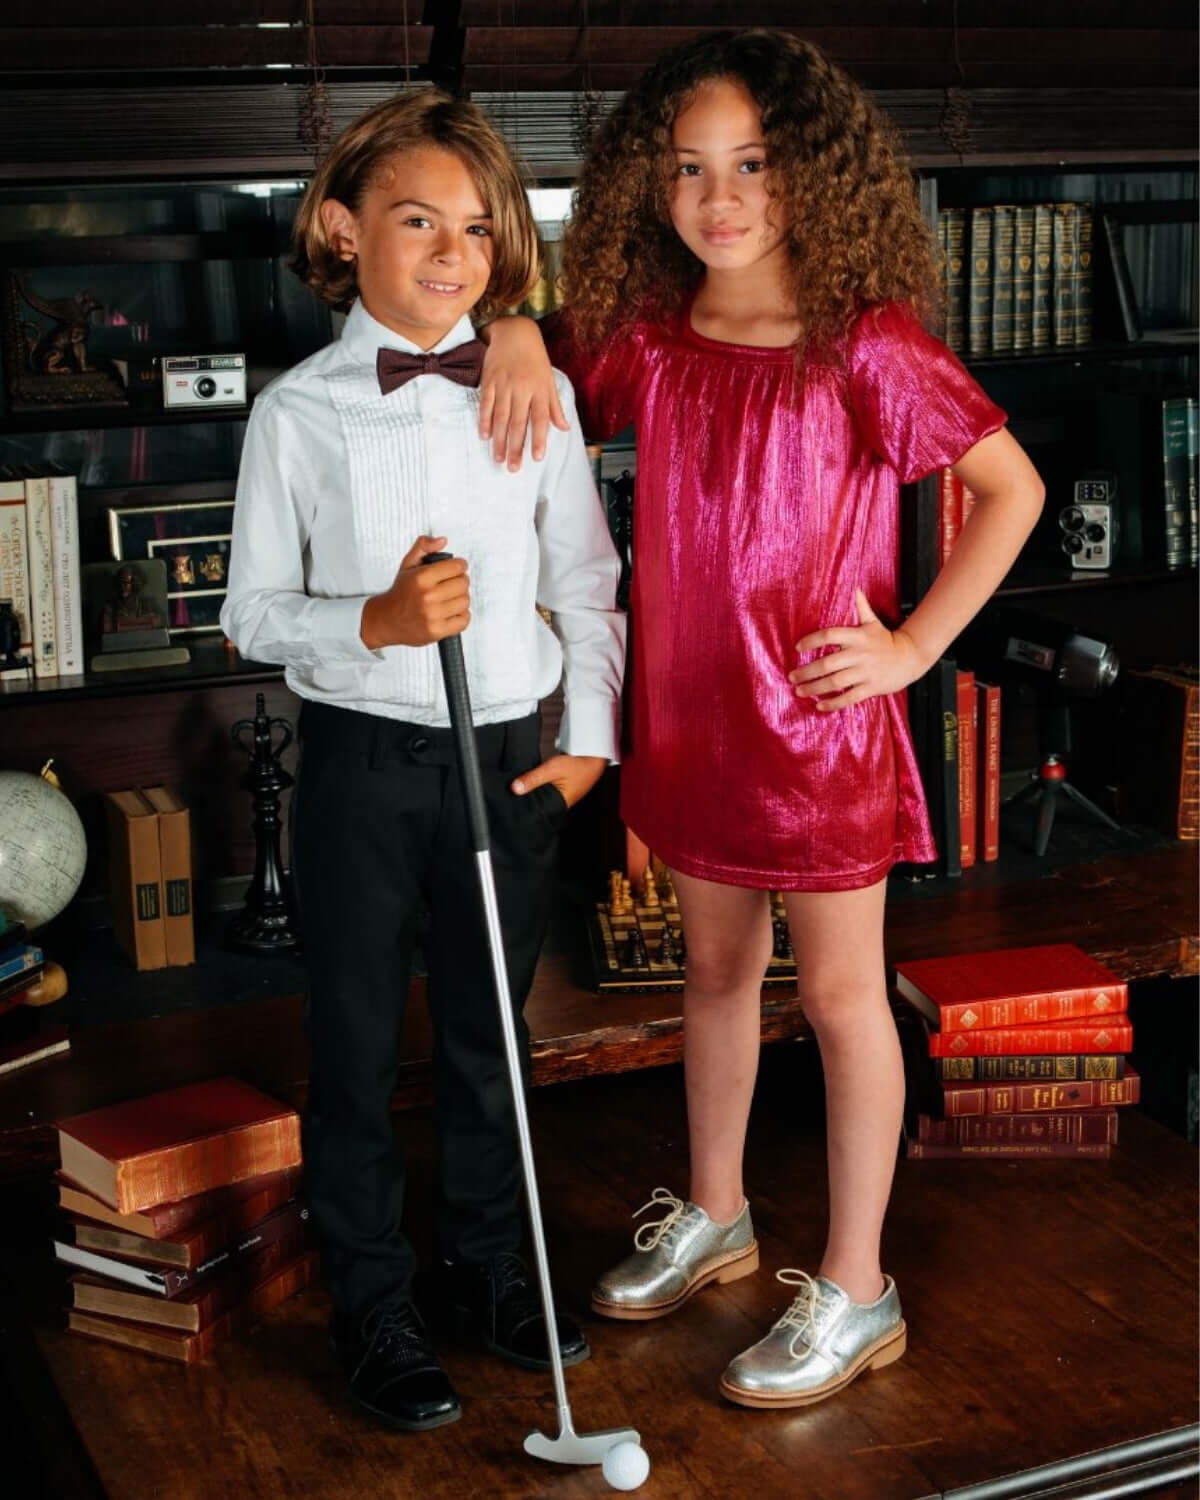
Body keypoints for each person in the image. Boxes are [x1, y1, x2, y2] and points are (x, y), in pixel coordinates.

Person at [485, 29, 1044, 1408]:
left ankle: (858, 1286)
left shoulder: (871, 344)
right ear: (647, 183)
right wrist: (507, 320)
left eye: (751, 166)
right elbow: (536, 372)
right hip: (692, 719)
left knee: (846, 1001)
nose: (718, 198)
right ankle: (720, 1214)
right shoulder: (651, 337)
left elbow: (1013, 490)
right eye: (688, 168)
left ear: (815, 178)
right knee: (716, 980)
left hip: (817, 732)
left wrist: (913, 646)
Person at [220, 89, 625, 1433]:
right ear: (342, 229)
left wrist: (588, 746)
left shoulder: (538, 384)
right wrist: (373, 622)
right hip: (361, 771)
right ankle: (375, 1301)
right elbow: (251, 613)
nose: (453, 252)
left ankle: (490, 1268)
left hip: (508, 757)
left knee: (486, 1036)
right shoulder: (294, 414)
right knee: (349, 1041)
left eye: (476, 230)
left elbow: (588, 580)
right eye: (415, 221)